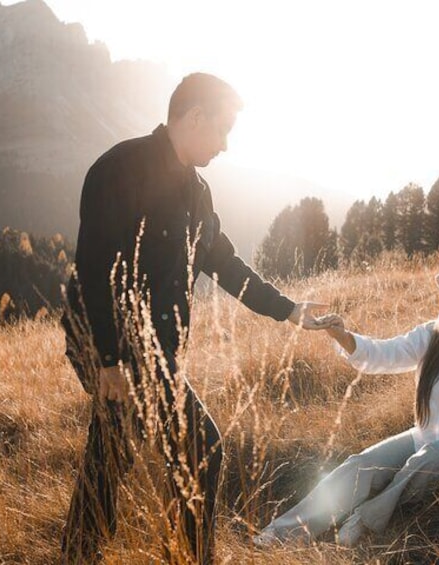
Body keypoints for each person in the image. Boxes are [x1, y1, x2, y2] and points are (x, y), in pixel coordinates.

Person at [60, 72, 327, 564]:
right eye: (223, 129)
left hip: (157, 353)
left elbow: (225, 264)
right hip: (108, 344)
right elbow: (93, 270)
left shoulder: (199, 194)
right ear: (194, 117)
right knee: (187, 446)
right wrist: (109, 360)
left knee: (114, 458)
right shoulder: (119, 169)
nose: (226, 145)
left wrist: (288, 311)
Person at [254, 263, 439, 548]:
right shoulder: (432, 336)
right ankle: (278, 536)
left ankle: (365, 519)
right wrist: (343, 336)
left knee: (432, 456)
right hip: (427, 438)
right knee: (361, 465)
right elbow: (385, 354)